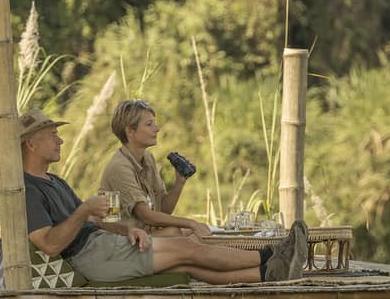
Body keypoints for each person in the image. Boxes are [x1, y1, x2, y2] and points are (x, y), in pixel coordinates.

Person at [19, 108, 306, 283]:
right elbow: (49, 244)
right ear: (31, 143)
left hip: (103, 245)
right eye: (52, 135)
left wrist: (125, 231)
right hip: (91, 257)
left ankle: (267, 273)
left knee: (186, 262)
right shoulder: (28, 190)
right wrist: (84, 211)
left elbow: (92, 222)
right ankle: (271, 254)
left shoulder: (55, 181)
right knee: (188, 247)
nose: (60, 140)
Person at [100, 98, 210, 237]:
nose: (157, 129)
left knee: (198, 231)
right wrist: (191, 222)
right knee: (176, 232)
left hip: (145, 236)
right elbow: (146, 216)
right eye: (149, 124)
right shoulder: (119, 167)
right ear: (130, 131)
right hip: (123, 240)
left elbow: (163, 211)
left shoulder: (147, 159)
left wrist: (179, 182)